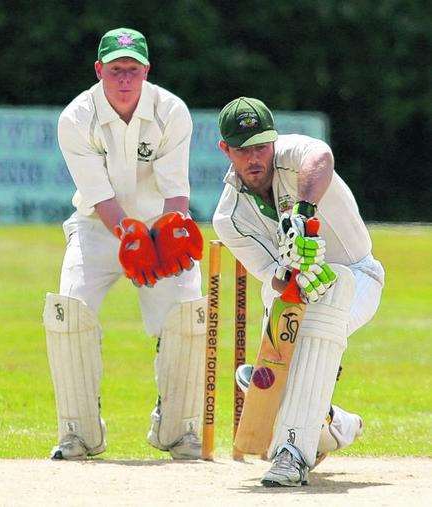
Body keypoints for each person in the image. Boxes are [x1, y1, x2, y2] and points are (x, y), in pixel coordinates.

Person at [43, 27, 206, 461]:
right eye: (116, 70)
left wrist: (171, 227)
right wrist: (128, 234)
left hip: (159, 225)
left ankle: (179, 430)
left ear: (146, 71)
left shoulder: (172, 111)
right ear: (99, 70)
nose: (124, 79)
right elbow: (99, 197)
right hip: (99, 226)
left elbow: (176, 190)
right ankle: (78, 434)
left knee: (188, 309)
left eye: (133, 70)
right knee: (69, 307)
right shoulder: (76, 118)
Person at [213, 97, 384, 486]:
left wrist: (303, 216)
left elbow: (321, 157)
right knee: (278, 368)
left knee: (312, 334)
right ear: (225, 150)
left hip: (356, 277)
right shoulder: (229, 217)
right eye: (243, 150)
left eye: (261, 146)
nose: (255, 158)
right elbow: (271, 278)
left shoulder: (296, 154)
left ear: (274, 141)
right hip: (296, 287)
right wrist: (292, 270)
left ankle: (292, 454)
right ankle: (332, 424)